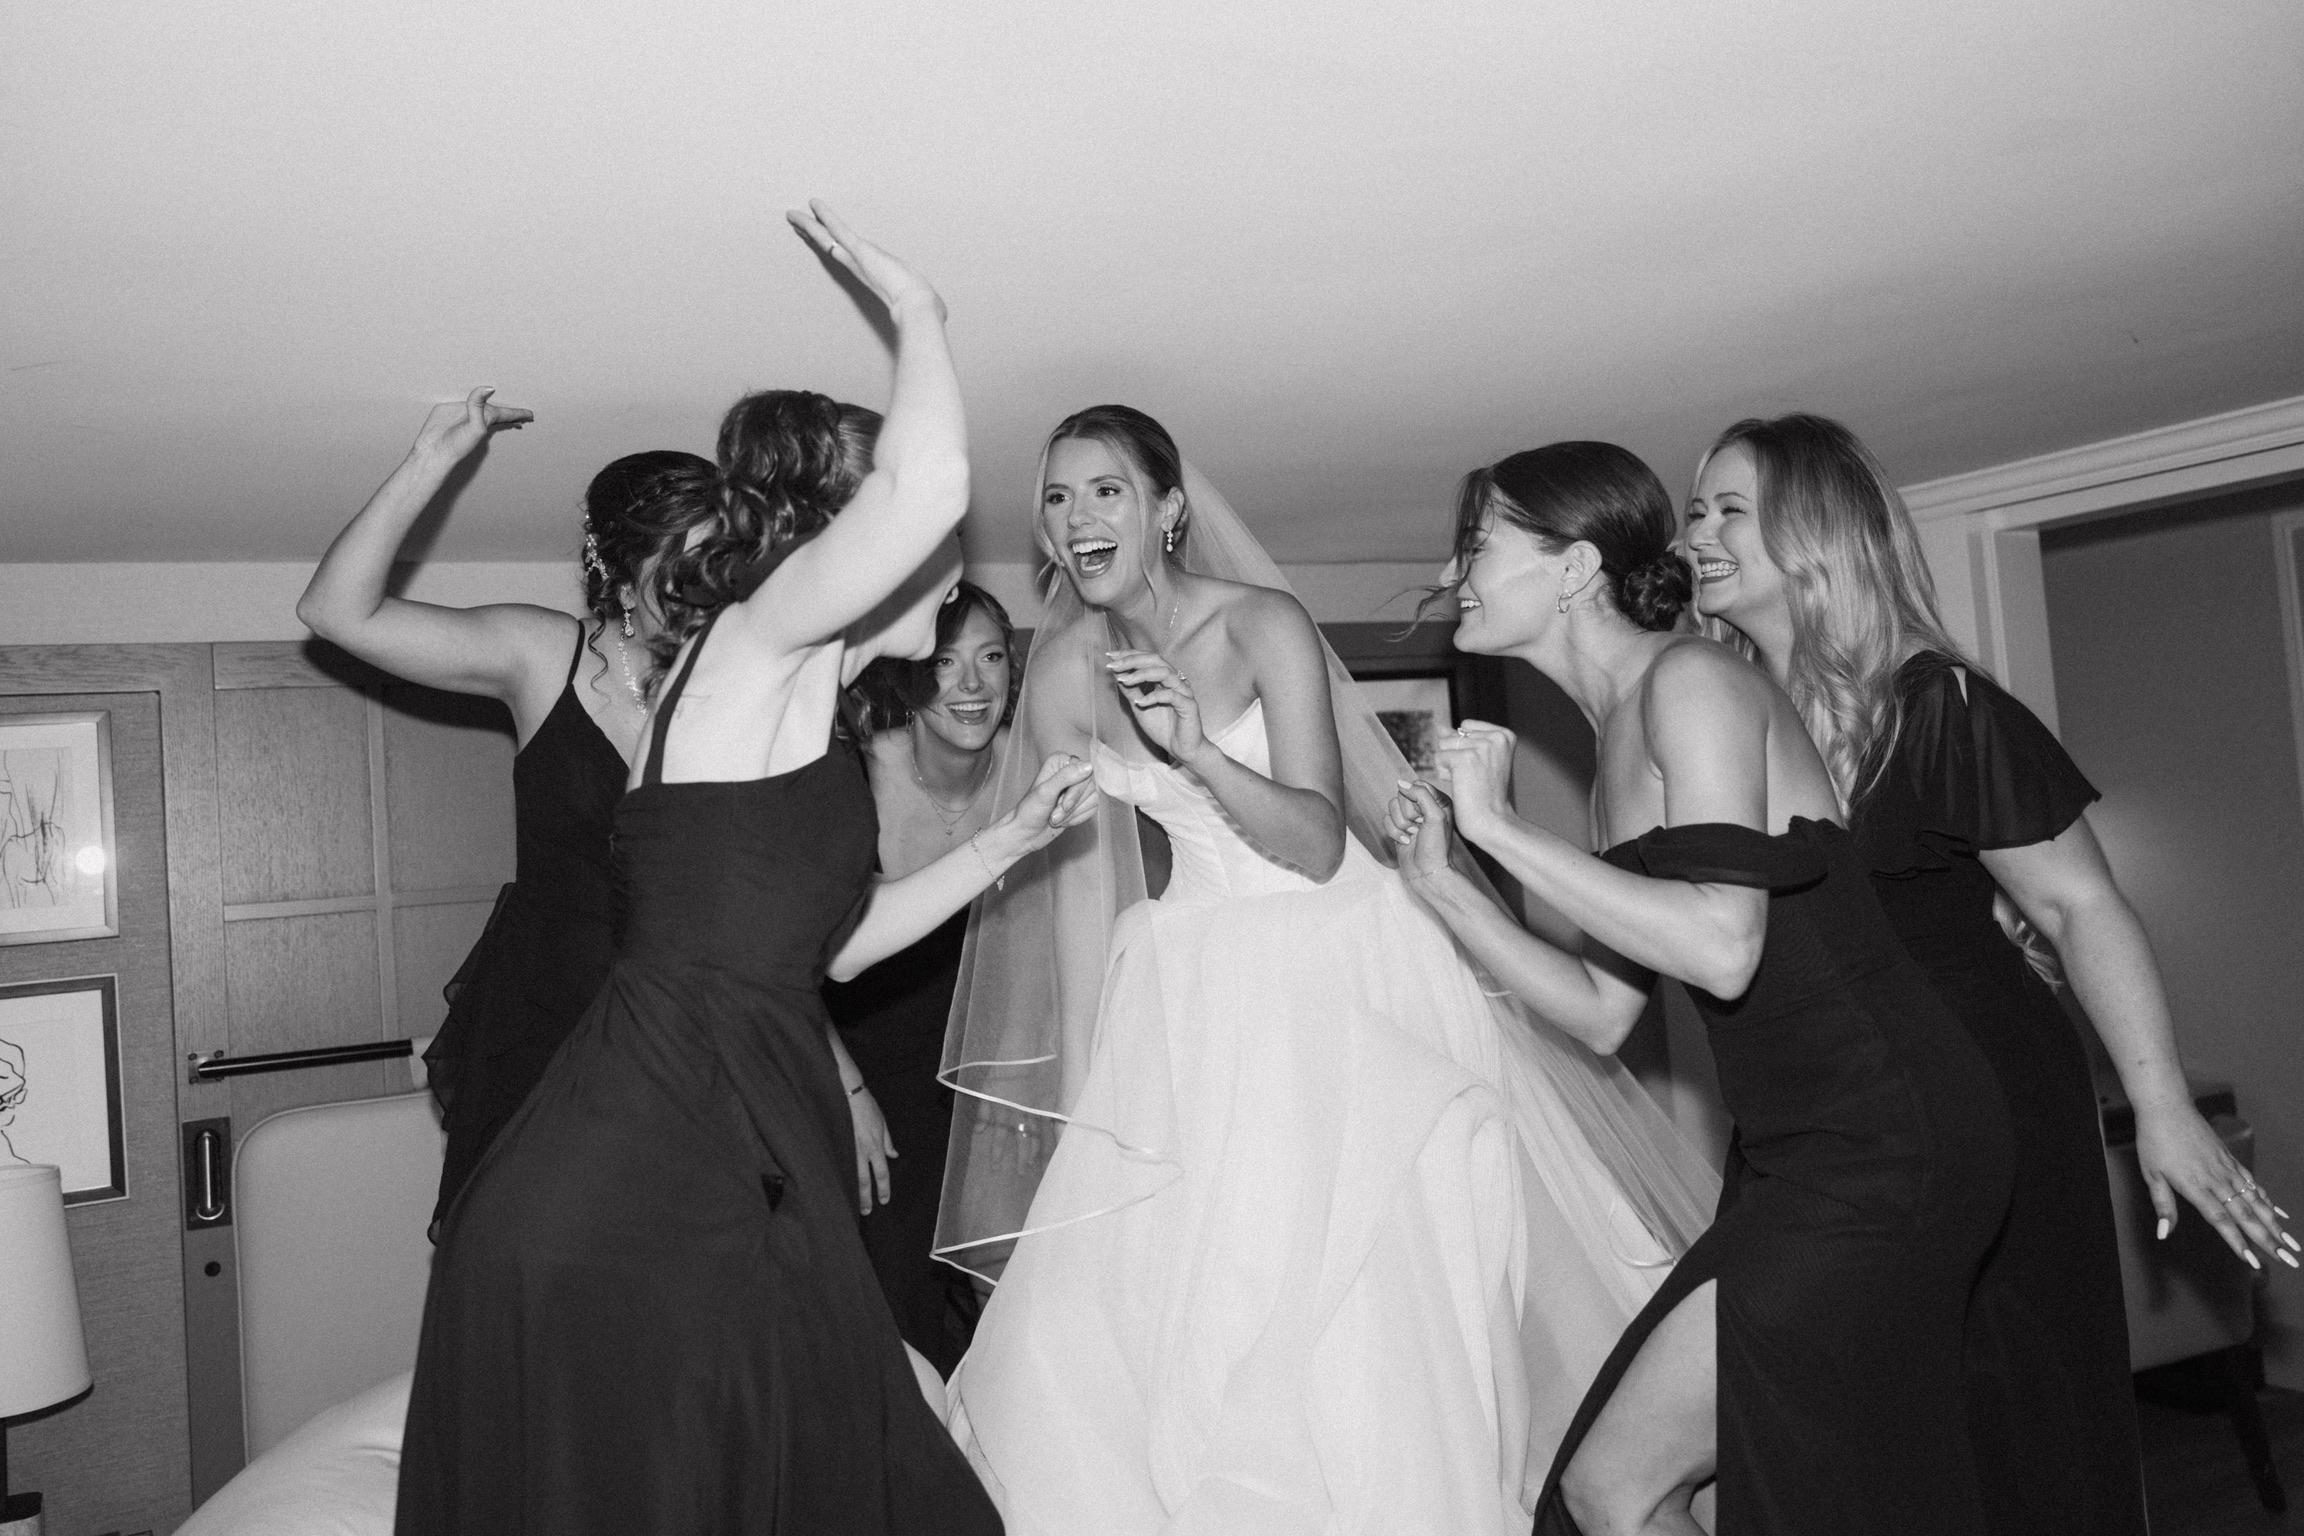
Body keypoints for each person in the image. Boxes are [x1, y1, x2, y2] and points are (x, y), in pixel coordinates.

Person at [395, 204, 1083, 1533]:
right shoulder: (754, 647)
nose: (950, 568)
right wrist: (920, 314)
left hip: (727, 1134)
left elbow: (832, 947)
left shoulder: (809, 722)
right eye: (922, 552)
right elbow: (930, 489)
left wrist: (1009, 841)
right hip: (626, 1175)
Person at [940, 407, 1721, 1536]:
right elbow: (1073, 900)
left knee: (1358, 1308)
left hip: (1338, 964)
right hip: (1188, 981)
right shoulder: (1059, 672)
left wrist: (1196, 753)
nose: (1076, 517)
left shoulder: (1261, 623)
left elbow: (1312, 842)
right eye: (1056, 498)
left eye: (1106, 489)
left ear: (1168, 509)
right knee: (1158, 1319)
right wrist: (1082, 1113)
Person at [1682, 412, 2298, 1536]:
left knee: (2006, 1410)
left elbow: (2079, 903)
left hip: (1979, 1095)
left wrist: (2163, 1106)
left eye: (1731, 510)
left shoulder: (1936, 707)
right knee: (1816, 1420)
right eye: (1695, 511)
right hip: (1818, 1113)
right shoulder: (1716, 719)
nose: (1697, 536)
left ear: (1819, 534)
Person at [1383, 440, 2015, 1534]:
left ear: (1575, 567)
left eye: (1475, 545)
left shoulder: (1692, 681)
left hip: (1886, 1136)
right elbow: (1603, 1013)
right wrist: (1445, 885)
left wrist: (1501, 828)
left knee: (1624, 1487)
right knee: (1630, 1490)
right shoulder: (1615, 735)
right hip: (1799, 1152)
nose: (1450, 575)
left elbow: (1725, 945)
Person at [297, 397, 721, 1230]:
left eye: (718, 560)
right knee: (542, 1255)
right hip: (552, 1019)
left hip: (693, 1022)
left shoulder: (738, 679)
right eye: (679, 561)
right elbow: (334, 612)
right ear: (620, 570)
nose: (703, 586)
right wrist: (432, 459)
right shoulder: (543, 654)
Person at [825, 579, 1020, 1374]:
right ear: (909, 676)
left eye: (991, 658)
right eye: (945, 662)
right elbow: (786, 956)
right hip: (868, 1078)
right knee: (893, 1308)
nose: (972, 684)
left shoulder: (1038, 772)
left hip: (993, 1079)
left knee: (1015, 1305)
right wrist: (848, 1095)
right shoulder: (852, 772)